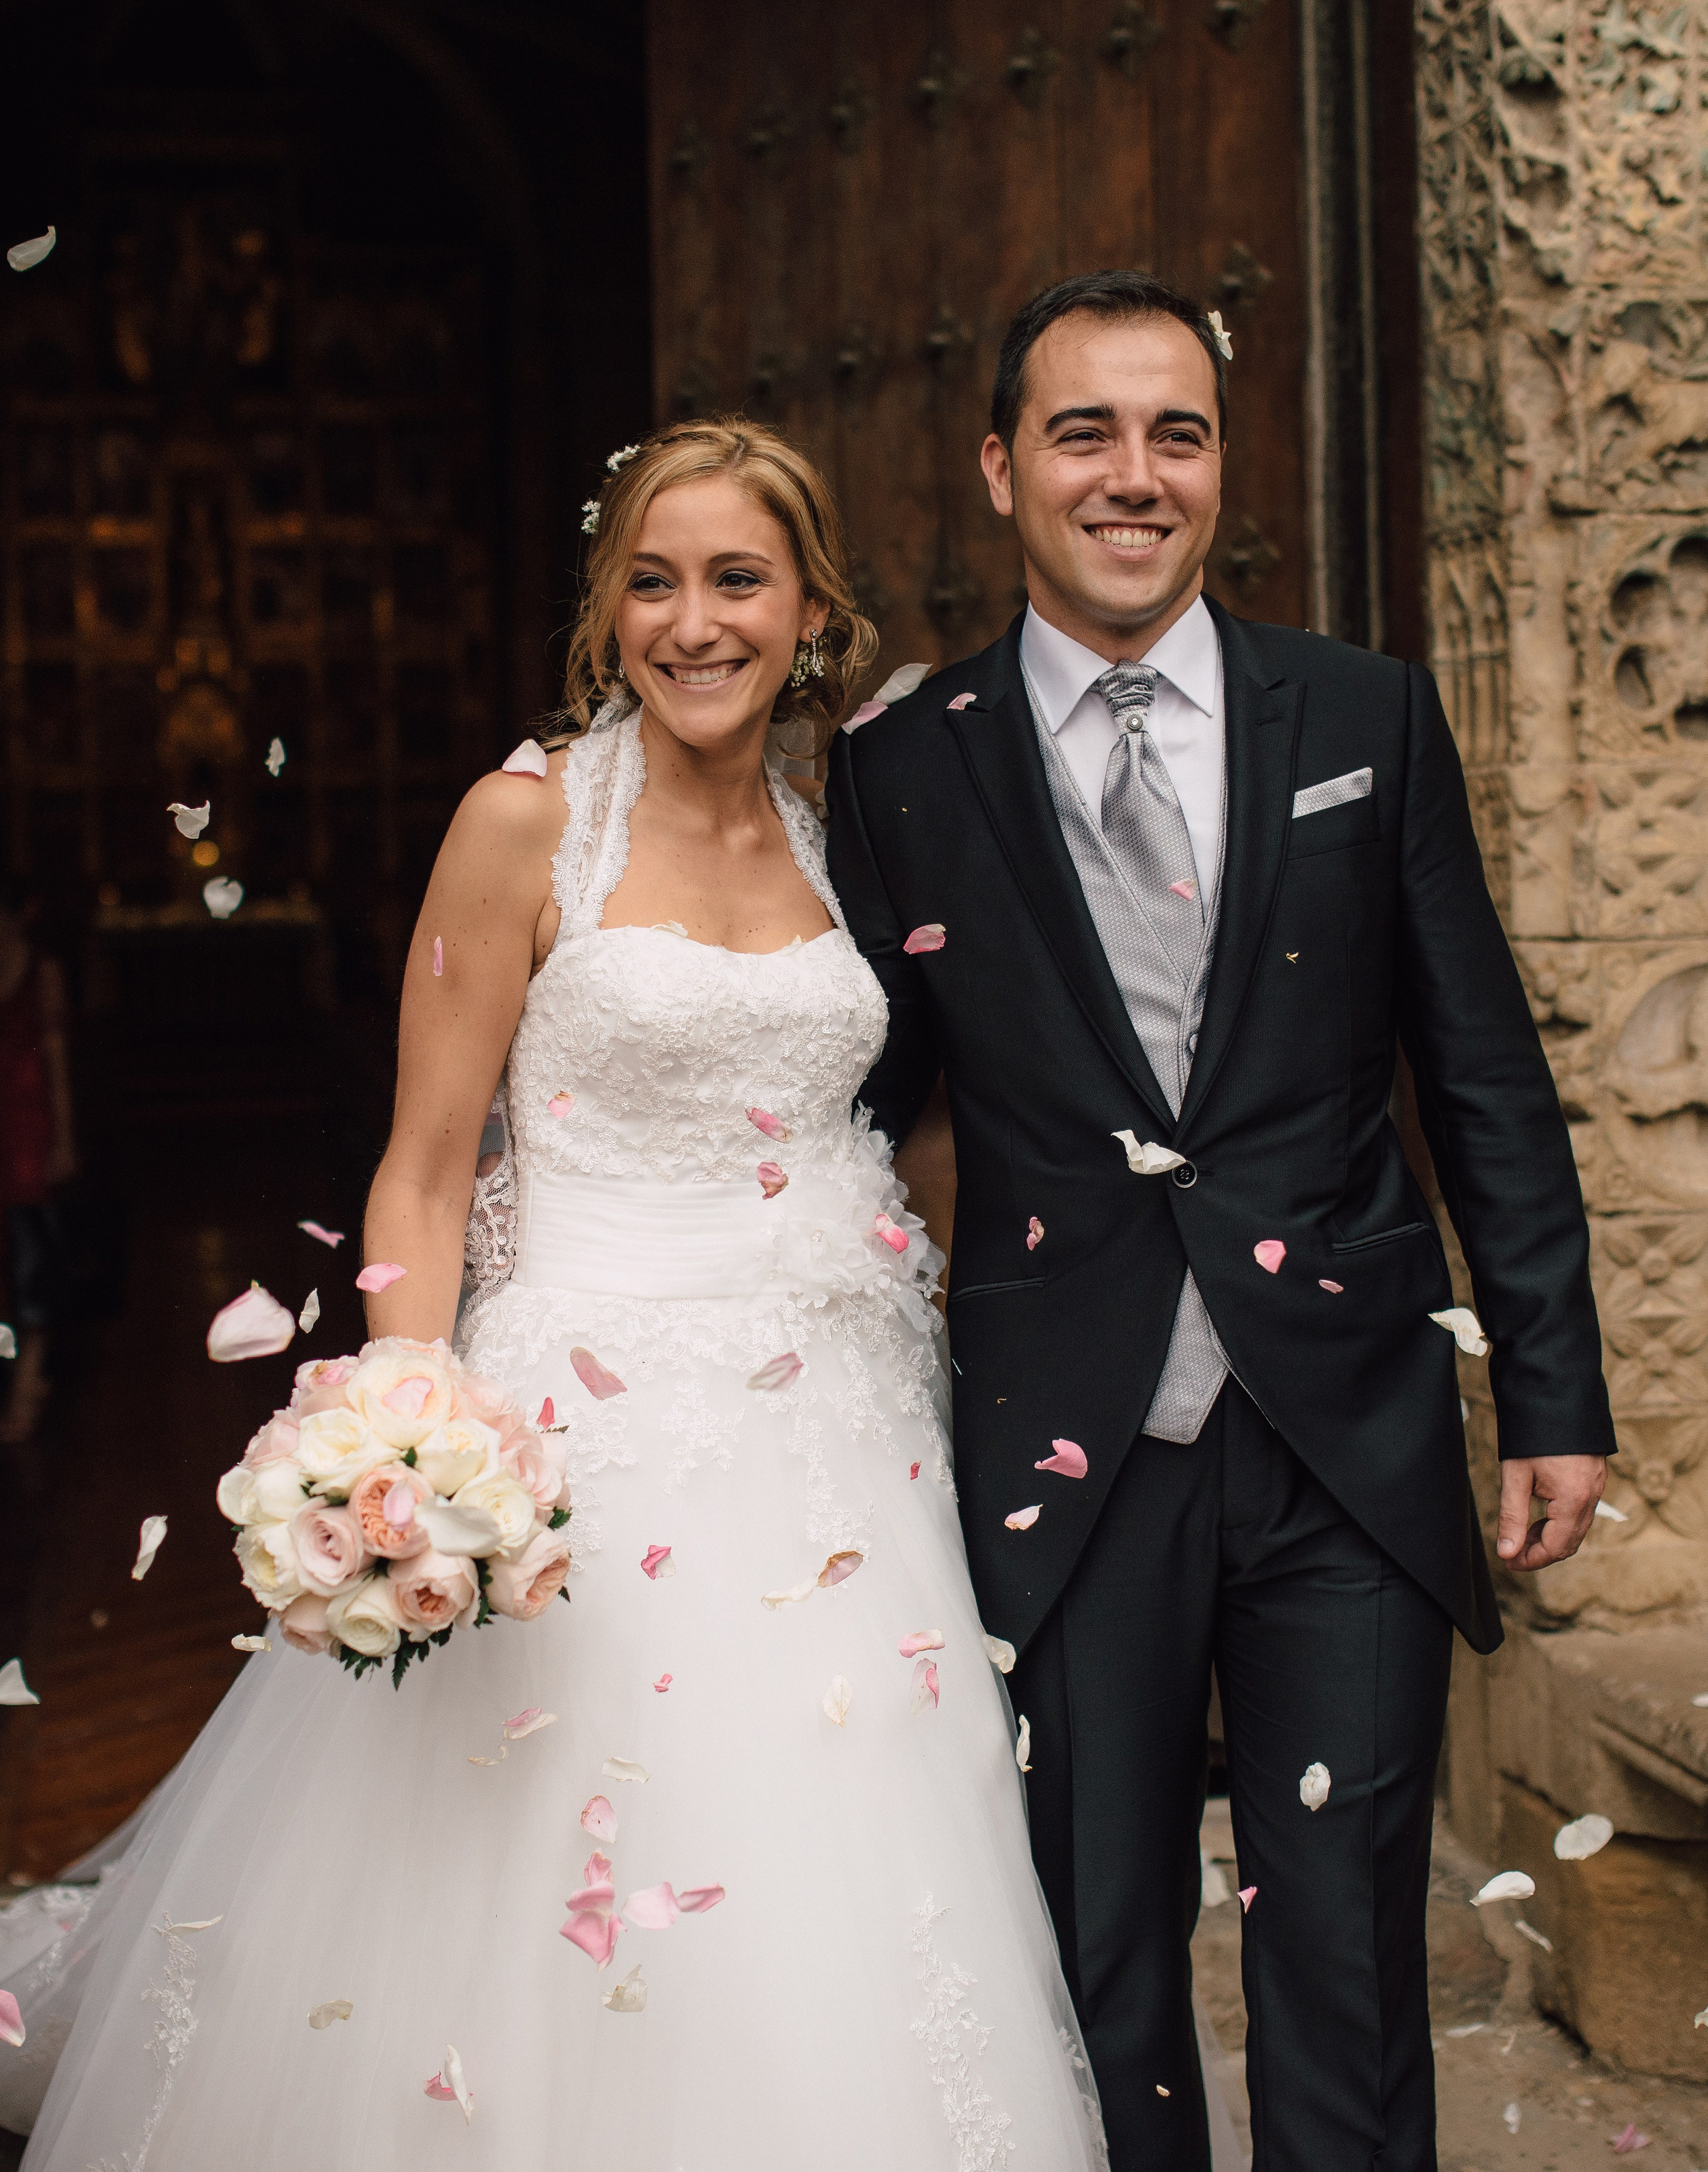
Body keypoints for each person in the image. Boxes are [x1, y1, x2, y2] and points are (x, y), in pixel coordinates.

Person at [20, 420, 1250, 2170]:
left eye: (736, 581)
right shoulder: (520, 827)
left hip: (845, 1446)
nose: (694, 623)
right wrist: (404, 1429)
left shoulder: (843, 841)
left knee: (847, 1867)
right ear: (606, 618)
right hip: (582, 1437)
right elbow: (427, 1166)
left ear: (807, 609)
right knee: (574, 1858)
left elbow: (894, 1132)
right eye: (652, 584)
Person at [824, 270, 1615, 2172]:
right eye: (1085, 432)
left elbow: (1482, 1069)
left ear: (1220, 468)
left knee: (1343, 1942)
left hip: (1346, 1426)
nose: (1134, 475)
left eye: (1175, 432)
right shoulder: (899, 764)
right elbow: (841, 1100)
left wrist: (1558, 1392)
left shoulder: (1363, 713)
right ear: (1001, 466)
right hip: (1057, 1441)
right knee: (1095, 1948)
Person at [0, 882, 78, 1450]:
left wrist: (65, 1138)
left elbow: (55, 1057)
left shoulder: (41, 971)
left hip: (27, 1125)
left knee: (31, 1259)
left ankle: (29, 1384)